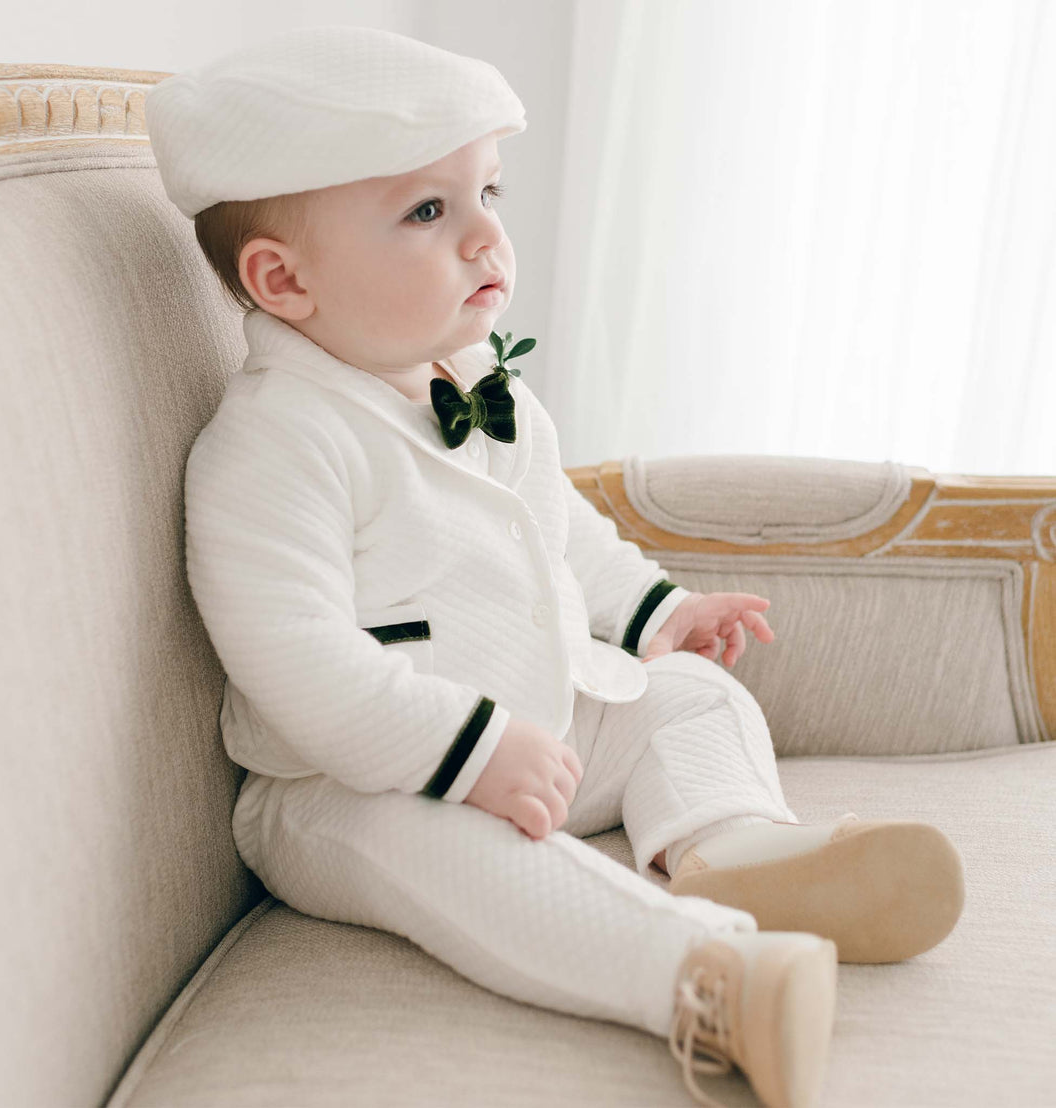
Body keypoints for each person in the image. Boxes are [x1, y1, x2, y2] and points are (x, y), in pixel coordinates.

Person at [145, 25, 964, 1108]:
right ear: (283, 279)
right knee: (461, 860)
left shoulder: (480, 378)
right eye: (429, 211)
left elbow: (559, 527)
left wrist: (654, 613)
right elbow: (292, 655)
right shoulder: (274, 444)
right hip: (354, 782)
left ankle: (736, 850)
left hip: (546, 723)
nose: (487, 238)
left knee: (690, 697)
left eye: (488, 193)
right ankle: (708, 975)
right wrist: (466, 751)